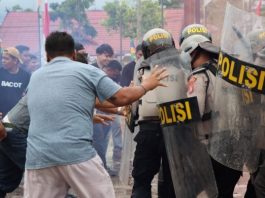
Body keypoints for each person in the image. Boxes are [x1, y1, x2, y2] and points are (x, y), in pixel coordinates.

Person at [24, 31, 168, 198]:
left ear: (47, 56)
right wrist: (146, 85)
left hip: (38, 157)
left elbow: (68, 103)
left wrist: (92, 115)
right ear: (73, 54)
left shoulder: (35, 77)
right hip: (75, 153)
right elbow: (120, 97)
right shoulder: (86, 71)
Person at [130, 28, 176, 198]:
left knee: (142, 181)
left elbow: (135, 106)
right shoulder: (185, 67)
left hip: (148, 129)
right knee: (173, 182)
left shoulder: (143, 70)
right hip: (176, 131)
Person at [0, 47, 30, 198]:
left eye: (6, 59)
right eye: (2, 58)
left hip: (15, 120)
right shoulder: (0, 73)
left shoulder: (26, 76)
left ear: (15, 60)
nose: (3, 61)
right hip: (1, 120)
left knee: (7, 145)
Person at [93, 59, 123, 175]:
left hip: (105, 112)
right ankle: (102, 168)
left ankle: (102, 166)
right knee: (99, 141)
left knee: (104, 140)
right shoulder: (99, 77)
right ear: (110, 70)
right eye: (115, 72)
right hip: (96, 113)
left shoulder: (109, 78)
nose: (116, 75)